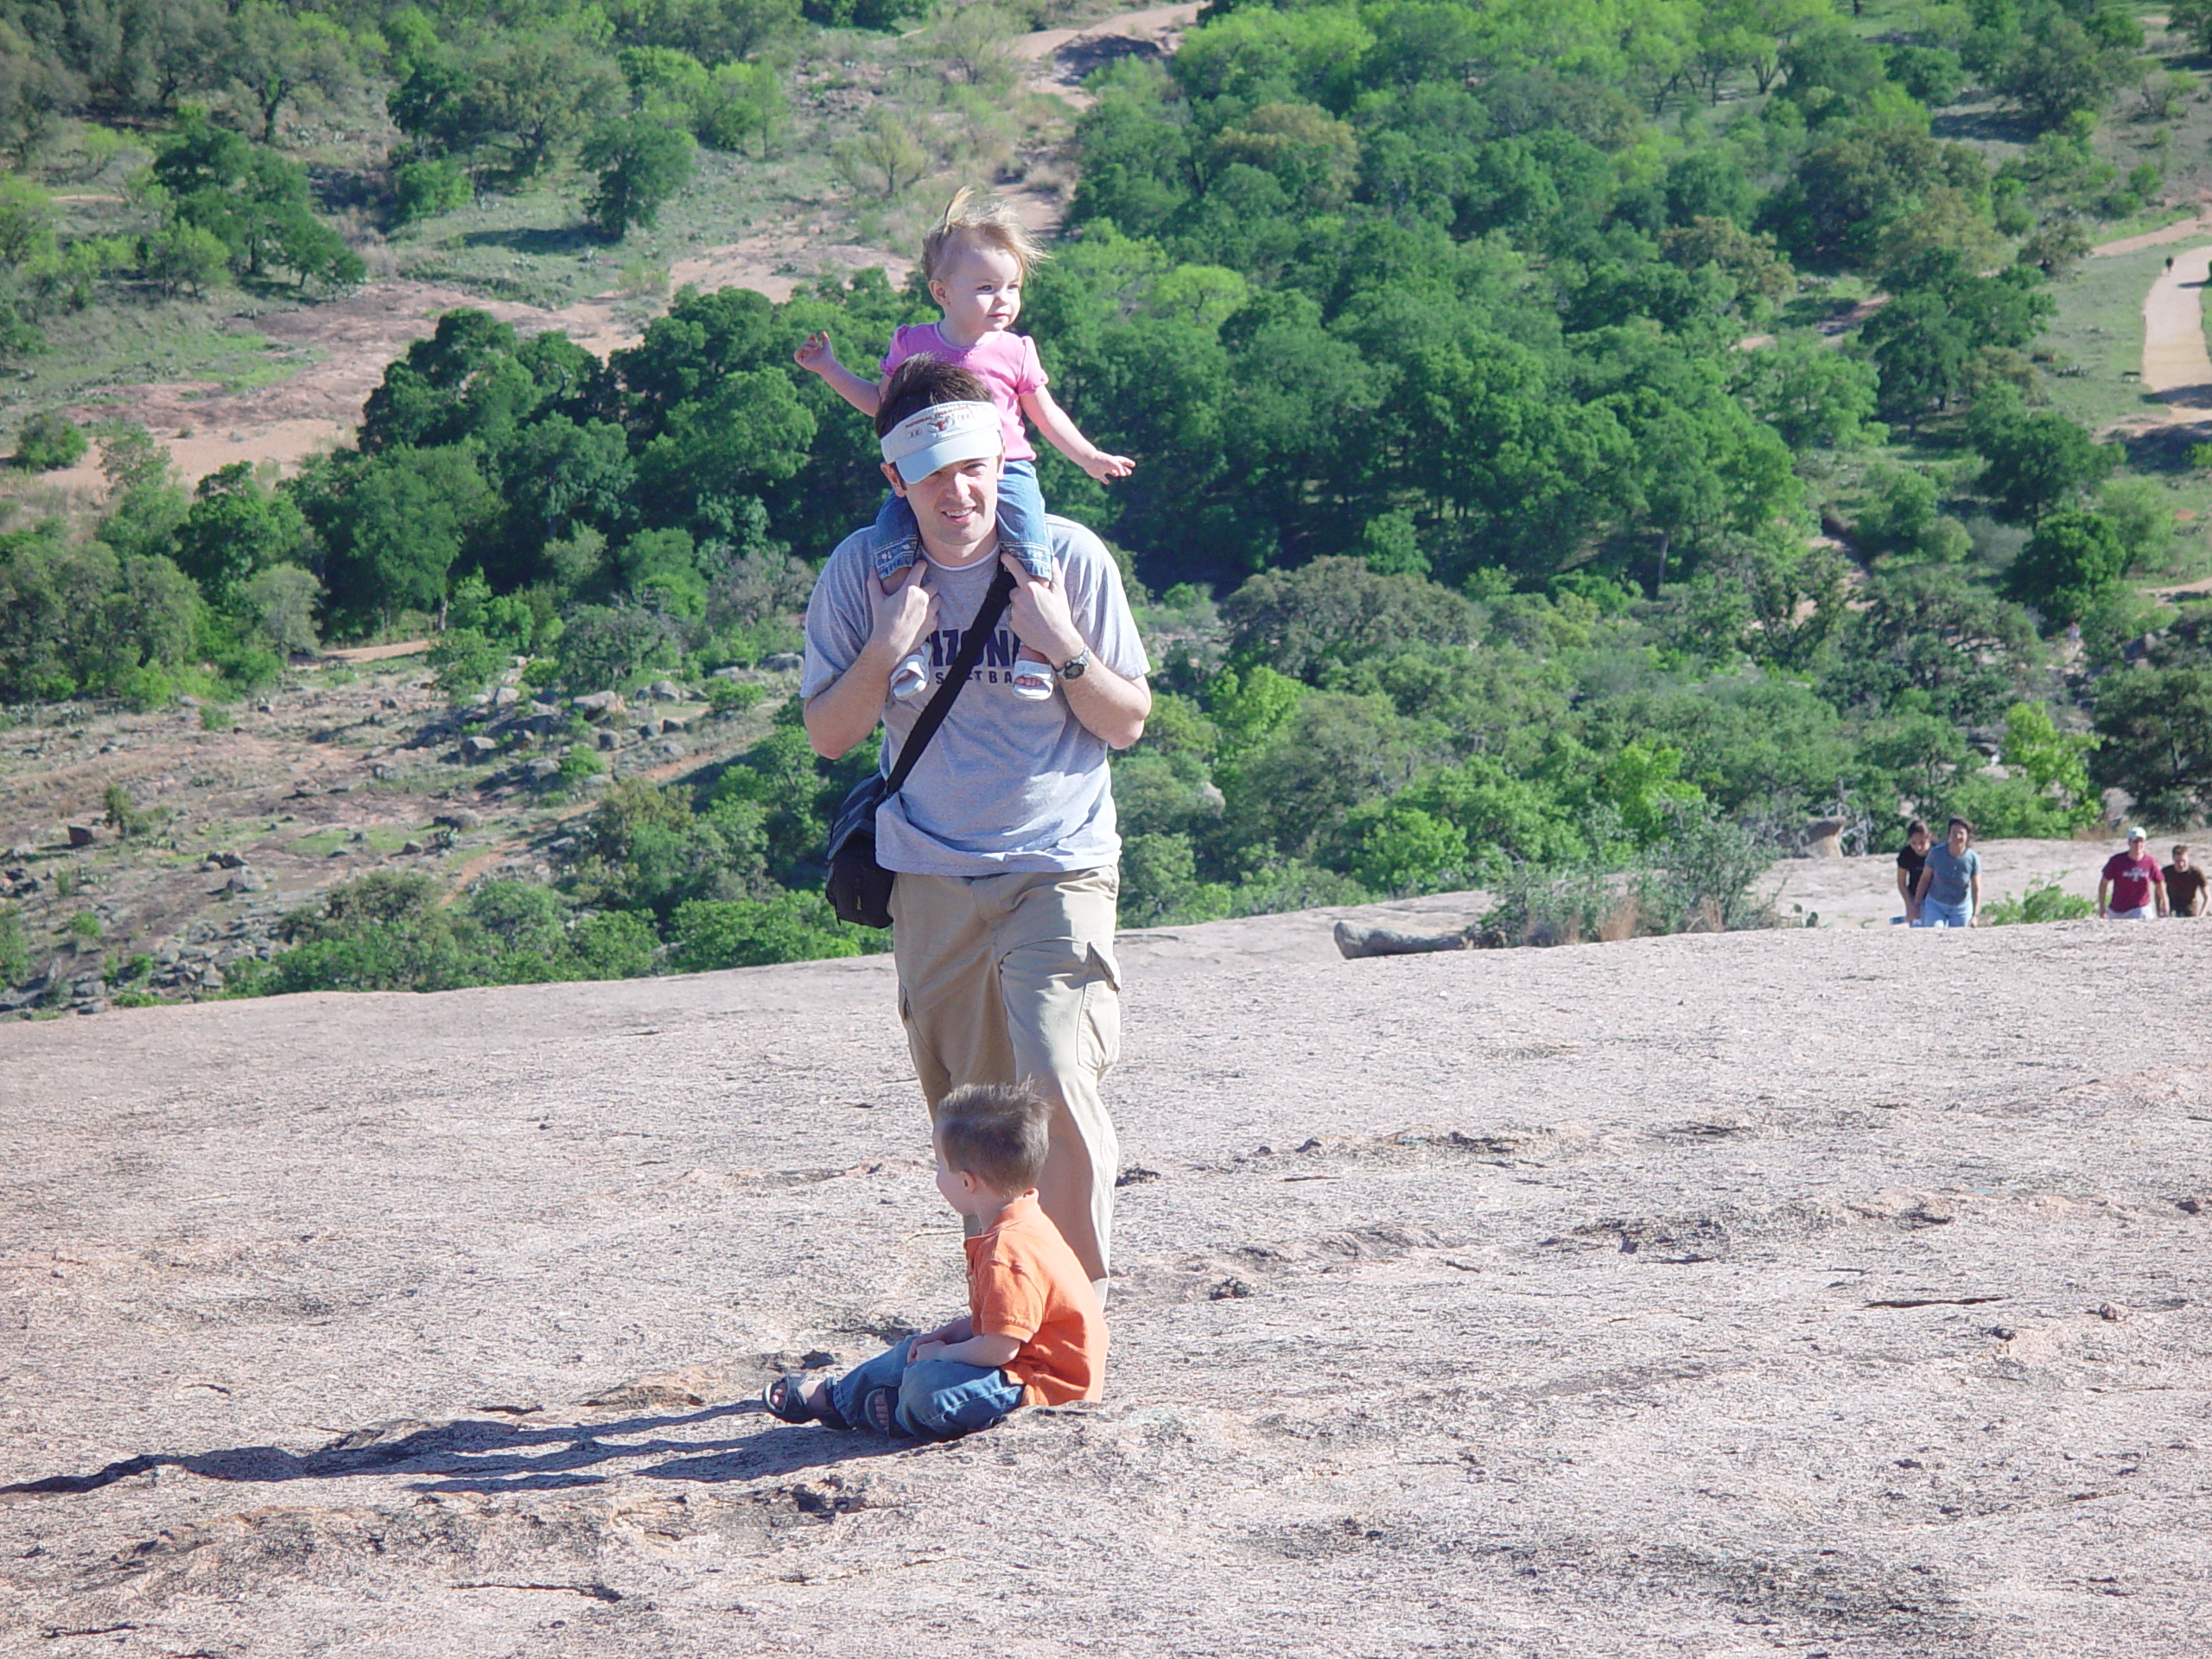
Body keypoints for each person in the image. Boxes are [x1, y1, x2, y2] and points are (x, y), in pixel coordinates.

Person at [801, 354, 1150, 1298]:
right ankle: (1009, 1301)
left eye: (974, 468)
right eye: (933, 474)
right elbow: (831, 735)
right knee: (974, 1117)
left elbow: (1124, 721)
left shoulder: (1068, 558)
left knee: (1057, 1081)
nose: (958, 493)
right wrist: (886, 648)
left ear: (1002, 459)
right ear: (895, 480)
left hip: (1058, 864)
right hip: (929, 875)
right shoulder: (860, 576)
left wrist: (1063, 645)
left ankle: (1075, 1316)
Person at [793, 189, 1133, 702]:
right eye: (987, 287)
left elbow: (1047, 415)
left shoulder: (1016, 350)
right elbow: (880, 406)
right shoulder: (913, 344)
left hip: (1007, 469)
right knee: (892, 542)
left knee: (1031, 550)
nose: (1004, 300)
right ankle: (910, 651)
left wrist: (1089, 457)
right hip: (924, 470)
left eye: (1012, 287)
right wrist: (829, 369)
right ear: (941, 291)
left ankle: (1036, 656)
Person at [761, 1084, 1106, 1439]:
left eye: (939, 1165)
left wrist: (945, 1352)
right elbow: (997, 1324)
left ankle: (901, 1412)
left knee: (929, 1384)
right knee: (911, 1351)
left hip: (1045, 1388)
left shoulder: (1008, 1250)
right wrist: (943, 1338)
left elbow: (999, 1347)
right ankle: (838, 1398)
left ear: (968, 1182)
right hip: (1016, 1364)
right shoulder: (1024, 1217)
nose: (936, 1175)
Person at [1913, 817, 1981, 927]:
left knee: (1960, 937)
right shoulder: (1936, 854)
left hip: (1960, 906)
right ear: (1948, 835)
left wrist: (1975, 915)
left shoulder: (1973, 859)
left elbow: (1976, 888)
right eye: (1954, 833)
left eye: (1961, 833)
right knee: (1934, 932)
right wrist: (1916, 904)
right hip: (1936, 904)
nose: (1957, 837)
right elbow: (1925, 879)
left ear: (1967, 836)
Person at [2098, 828, 2166, 919]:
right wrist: (2102, 907)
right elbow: (2104, 883)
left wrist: (2164, 902)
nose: (2138, 845)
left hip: (2140, 907)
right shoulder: (2117, 861)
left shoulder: (2150, 861)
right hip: (2118, 909)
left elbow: (2159, 882)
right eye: (2135, 841)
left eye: (2141, 841)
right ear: (2129, 842)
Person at [1896, 818, 1931, 925]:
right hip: (1913, 895)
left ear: (1928, 837)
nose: (1918, 847)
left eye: (1922, 842)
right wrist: (1910, 905)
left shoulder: (1937, 852)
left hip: (1934, 897)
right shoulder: (1906, 854)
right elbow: (1901, 882)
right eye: (1913, 843)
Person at [2164, 844, 2206, 918]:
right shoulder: (2167, 872)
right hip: (2172, 910)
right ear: (2173, 859)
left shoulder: (2196, 873)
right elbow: (2157, 890)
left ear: (2188, 859)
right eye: (2177, 861)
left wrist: (2202, 915)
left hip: (2190, 912)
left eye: (2183, 861)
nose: (2181, 864)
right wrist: (2160, 909)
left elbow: (2207, 897)